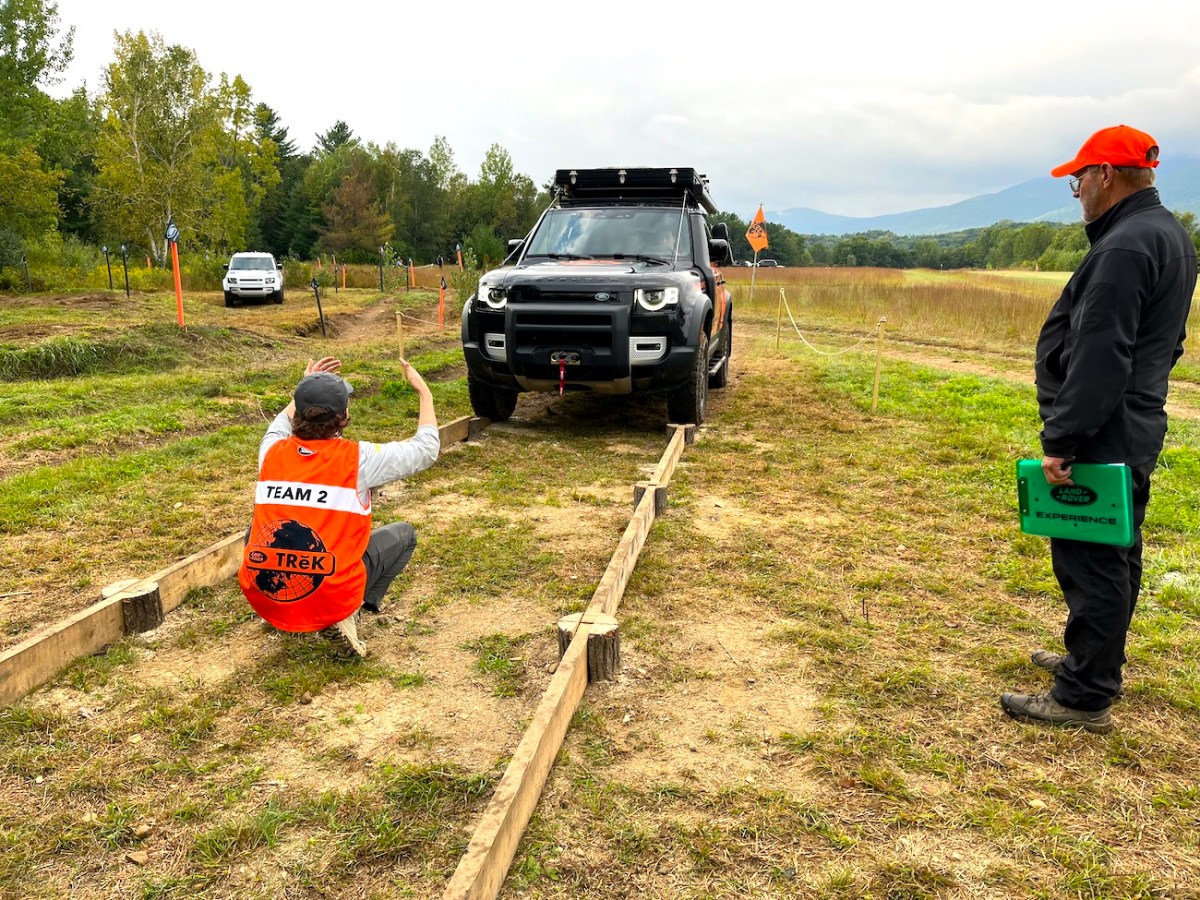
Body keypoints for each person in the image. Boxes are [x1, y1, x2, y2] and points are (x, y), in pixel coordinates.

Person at [1001, 125, 1197, 733]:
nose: (1077, 189)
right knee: (1115, 551)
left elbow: (1100, 354)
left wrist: (1064, 438)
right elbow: (1167, 342)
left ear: (1107, 175)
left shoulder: (1124, 246)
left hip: (1105, 428)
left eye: (1079, 178)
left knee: (1093, 560)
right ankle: (1092, 662)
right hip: (1132, 421)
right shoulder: (1166, 235)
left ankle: (1083, 695)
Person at [238, 356, 440, 656]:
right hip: (328, 591)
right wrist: (425, 393)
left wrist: (305, 387)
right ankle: (348, 612)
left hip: (264, 595)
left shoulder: (271, 452)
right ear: (343, 415)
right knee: (404, 535)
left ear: (298, 411)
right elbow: (426, 449)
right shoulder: (358, 459)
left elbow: (279, 424)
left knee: (256, 529)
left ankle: (284, 607)